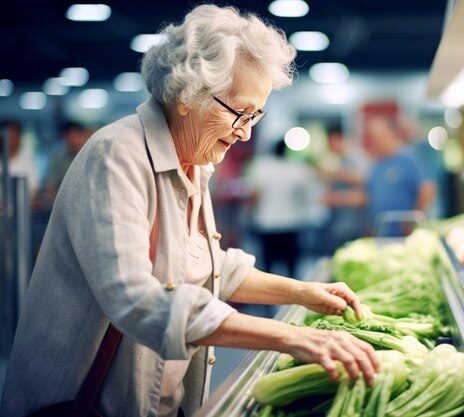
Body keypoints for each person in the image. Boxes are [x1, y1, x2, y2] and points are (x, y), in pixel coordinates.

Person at [0, 5, 378, 417]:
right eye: (239, 112)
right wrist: (289, 336)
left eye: (256, 114)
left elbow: (209, 265)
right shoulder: (116, 156)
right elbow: (133, 297)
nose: (247, 131)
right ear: (186, 95)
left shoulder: (194, 160)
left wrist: (303, 293)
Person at [325, 115, 432, 236]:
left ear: (391, 134)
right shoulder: (377, 165)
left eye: (377, 136)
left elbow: (427, 190)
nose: (374, 141)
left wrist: (412, 220)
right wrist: (337, 198)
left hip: (404, 234)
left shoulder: (408, 159)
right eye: (372, 137)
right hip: (381, 232)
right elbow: (367, 196)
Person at [246, 139, 317, 277]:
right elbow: (307, 194)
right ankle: (292, 294)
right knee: (291, 264)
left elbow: (255, 195)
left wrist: (250, 214)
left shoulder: (262, 167)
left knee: (268, 264)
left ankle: (269, 294)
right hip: (291, 221)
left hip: (267, 221)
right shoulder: (297, 168)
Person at [321, 124, 369, 251]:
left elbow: (363, 182)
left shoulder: (356, 158)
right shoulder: (341, 161)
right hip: (340, 224)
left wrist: (334, 196)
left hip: (353, 225)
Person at [44, 121, 89, 202]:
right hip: (64, 203)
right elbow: (50, 188)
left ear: (84, 136)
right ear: (65, 138)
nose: (74, 140)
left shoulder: (90, 156)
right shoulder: (58, 159)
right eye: (70, 136)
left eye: (77, 135)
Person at [0, 120, 40, 198]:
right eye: (9, 136)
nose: (11, 140)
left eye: (14, 136)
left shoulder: (27, 160)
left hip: (23, 206)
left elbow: (34, 189)